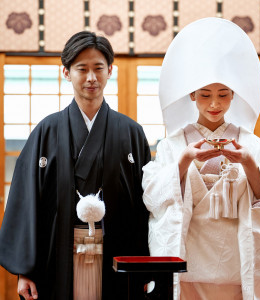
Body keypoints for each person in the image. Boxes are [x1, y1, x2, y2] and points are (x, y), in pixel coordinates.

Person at [142, 17, 260, 300]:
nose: (214, 104)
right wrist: (185, 159)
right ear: (191, 96)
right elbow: (153, 198)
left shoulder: (251, 144)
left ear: (234, 94)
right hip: (188, 267)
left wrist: (248, 163)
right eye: (205, 95)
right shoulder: (173, 145)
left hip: (237, 269)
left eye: (223, 95)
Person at [0, 31, 151, 300]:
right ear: (67, 73)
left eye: (98, 68)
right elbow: (25, 201)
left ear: (110, 71)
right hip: (57, 255)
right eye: (82, 69)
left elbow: (145, 206)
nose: (91, 77)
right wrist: (24, 270)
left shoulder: (131, 132)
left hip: (117, 256)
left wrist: (143, 269)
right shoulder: (47, 131)